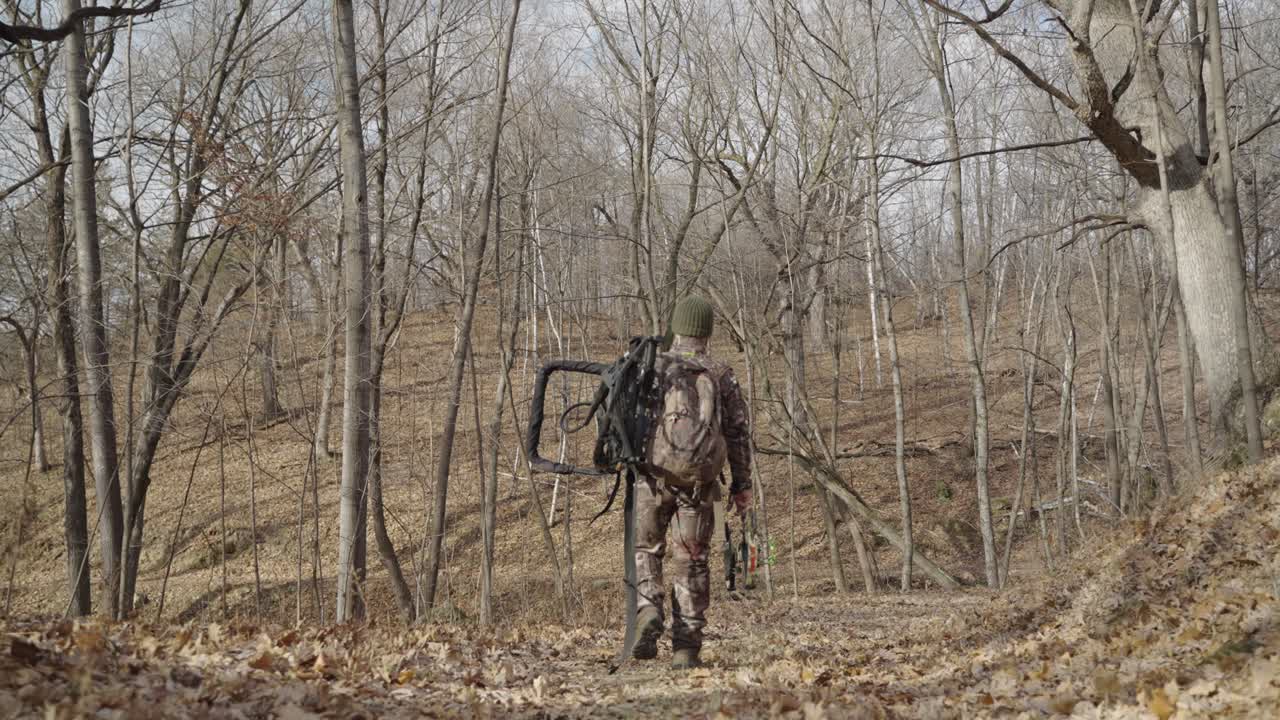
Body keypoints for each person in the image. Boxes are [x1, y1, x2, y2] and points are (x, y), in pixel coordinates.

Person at [632, 295, 753, 670]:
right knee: (694, 559)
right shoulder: (721, 372)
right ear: (707, 331)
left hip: (652, 479)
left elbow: (632, 418)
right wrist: (741, 484)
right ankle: (686, 647)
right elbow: (738, 432)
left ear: (677, 327)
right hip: (701, 485)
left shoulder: (654, 366)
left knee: (647, 548)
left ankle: (648, 609)